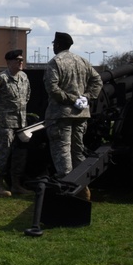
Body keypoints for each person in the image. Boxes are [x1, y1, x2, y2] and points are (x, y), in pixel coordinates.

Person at [44, 31, 103, 200]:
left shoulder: (55, 63)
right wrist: (86, 97)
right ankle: (83, 188)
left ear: (58, 45)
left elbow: (52, 88)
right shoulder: (82, 61)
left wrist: (71, 99)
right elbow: (97, 80)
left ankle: (68, 191)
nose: (53, 46)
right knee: (78, 152)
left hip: (60, 115)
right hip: (81, 114)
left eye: (54, 43)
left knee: (63, 153)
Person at [0, 49, 31, 197]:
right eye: (18, 60)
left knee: (19, 154)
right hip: (6, 123)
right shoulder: (1, 78)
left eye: (22, 60)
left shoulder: (24, 77)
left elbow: (27, 95)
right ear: (9, 62)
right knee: (4, 153)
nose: (21, 62)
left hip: (21, 122)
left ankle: (16, 184)